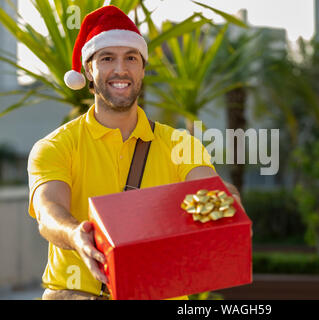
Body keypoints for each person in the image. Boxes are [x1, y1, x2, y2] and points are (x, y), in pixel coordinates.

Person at [27, 5, 241, 300]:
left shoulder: (179, 144)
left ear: (142, 69)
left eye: (131, 58)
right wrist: (76, 234)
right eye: (107, 58)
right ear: (88, 70)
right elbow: (48, 212)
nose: (120, 69)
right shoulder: (56, 146)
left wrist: (226, 199)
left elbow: (206, 187)